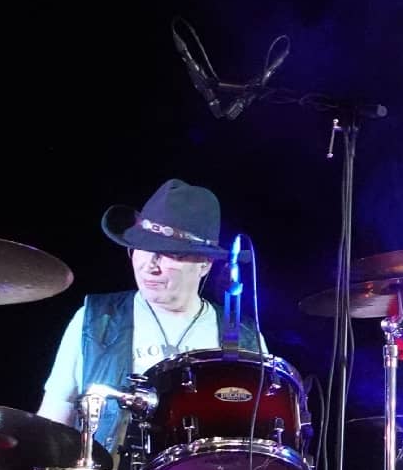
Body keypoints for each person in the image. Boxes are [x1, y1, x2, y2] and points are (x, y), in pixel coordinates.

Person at [38, 178, 263, 450]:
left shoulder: (246, 338)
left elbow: (260, 439)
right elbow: (55, 416)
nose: (149, 266)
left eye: (169, 254)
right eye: (142, 249)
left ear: (204, 264)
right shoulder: (95, 320)